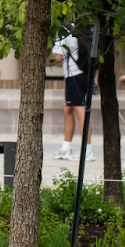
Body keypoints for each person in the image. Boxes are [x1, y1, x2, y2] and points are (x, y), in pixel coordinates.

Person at [51, 30, 93, 159]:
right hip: (84, 73)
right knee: (67, 109)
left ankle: (87, 150)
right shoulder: (83, 28)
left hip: (73, 75)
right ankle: (66, 147)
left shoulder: (64, 31)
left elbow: (59, 57)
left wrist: (53, 50)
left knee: (80, 112)